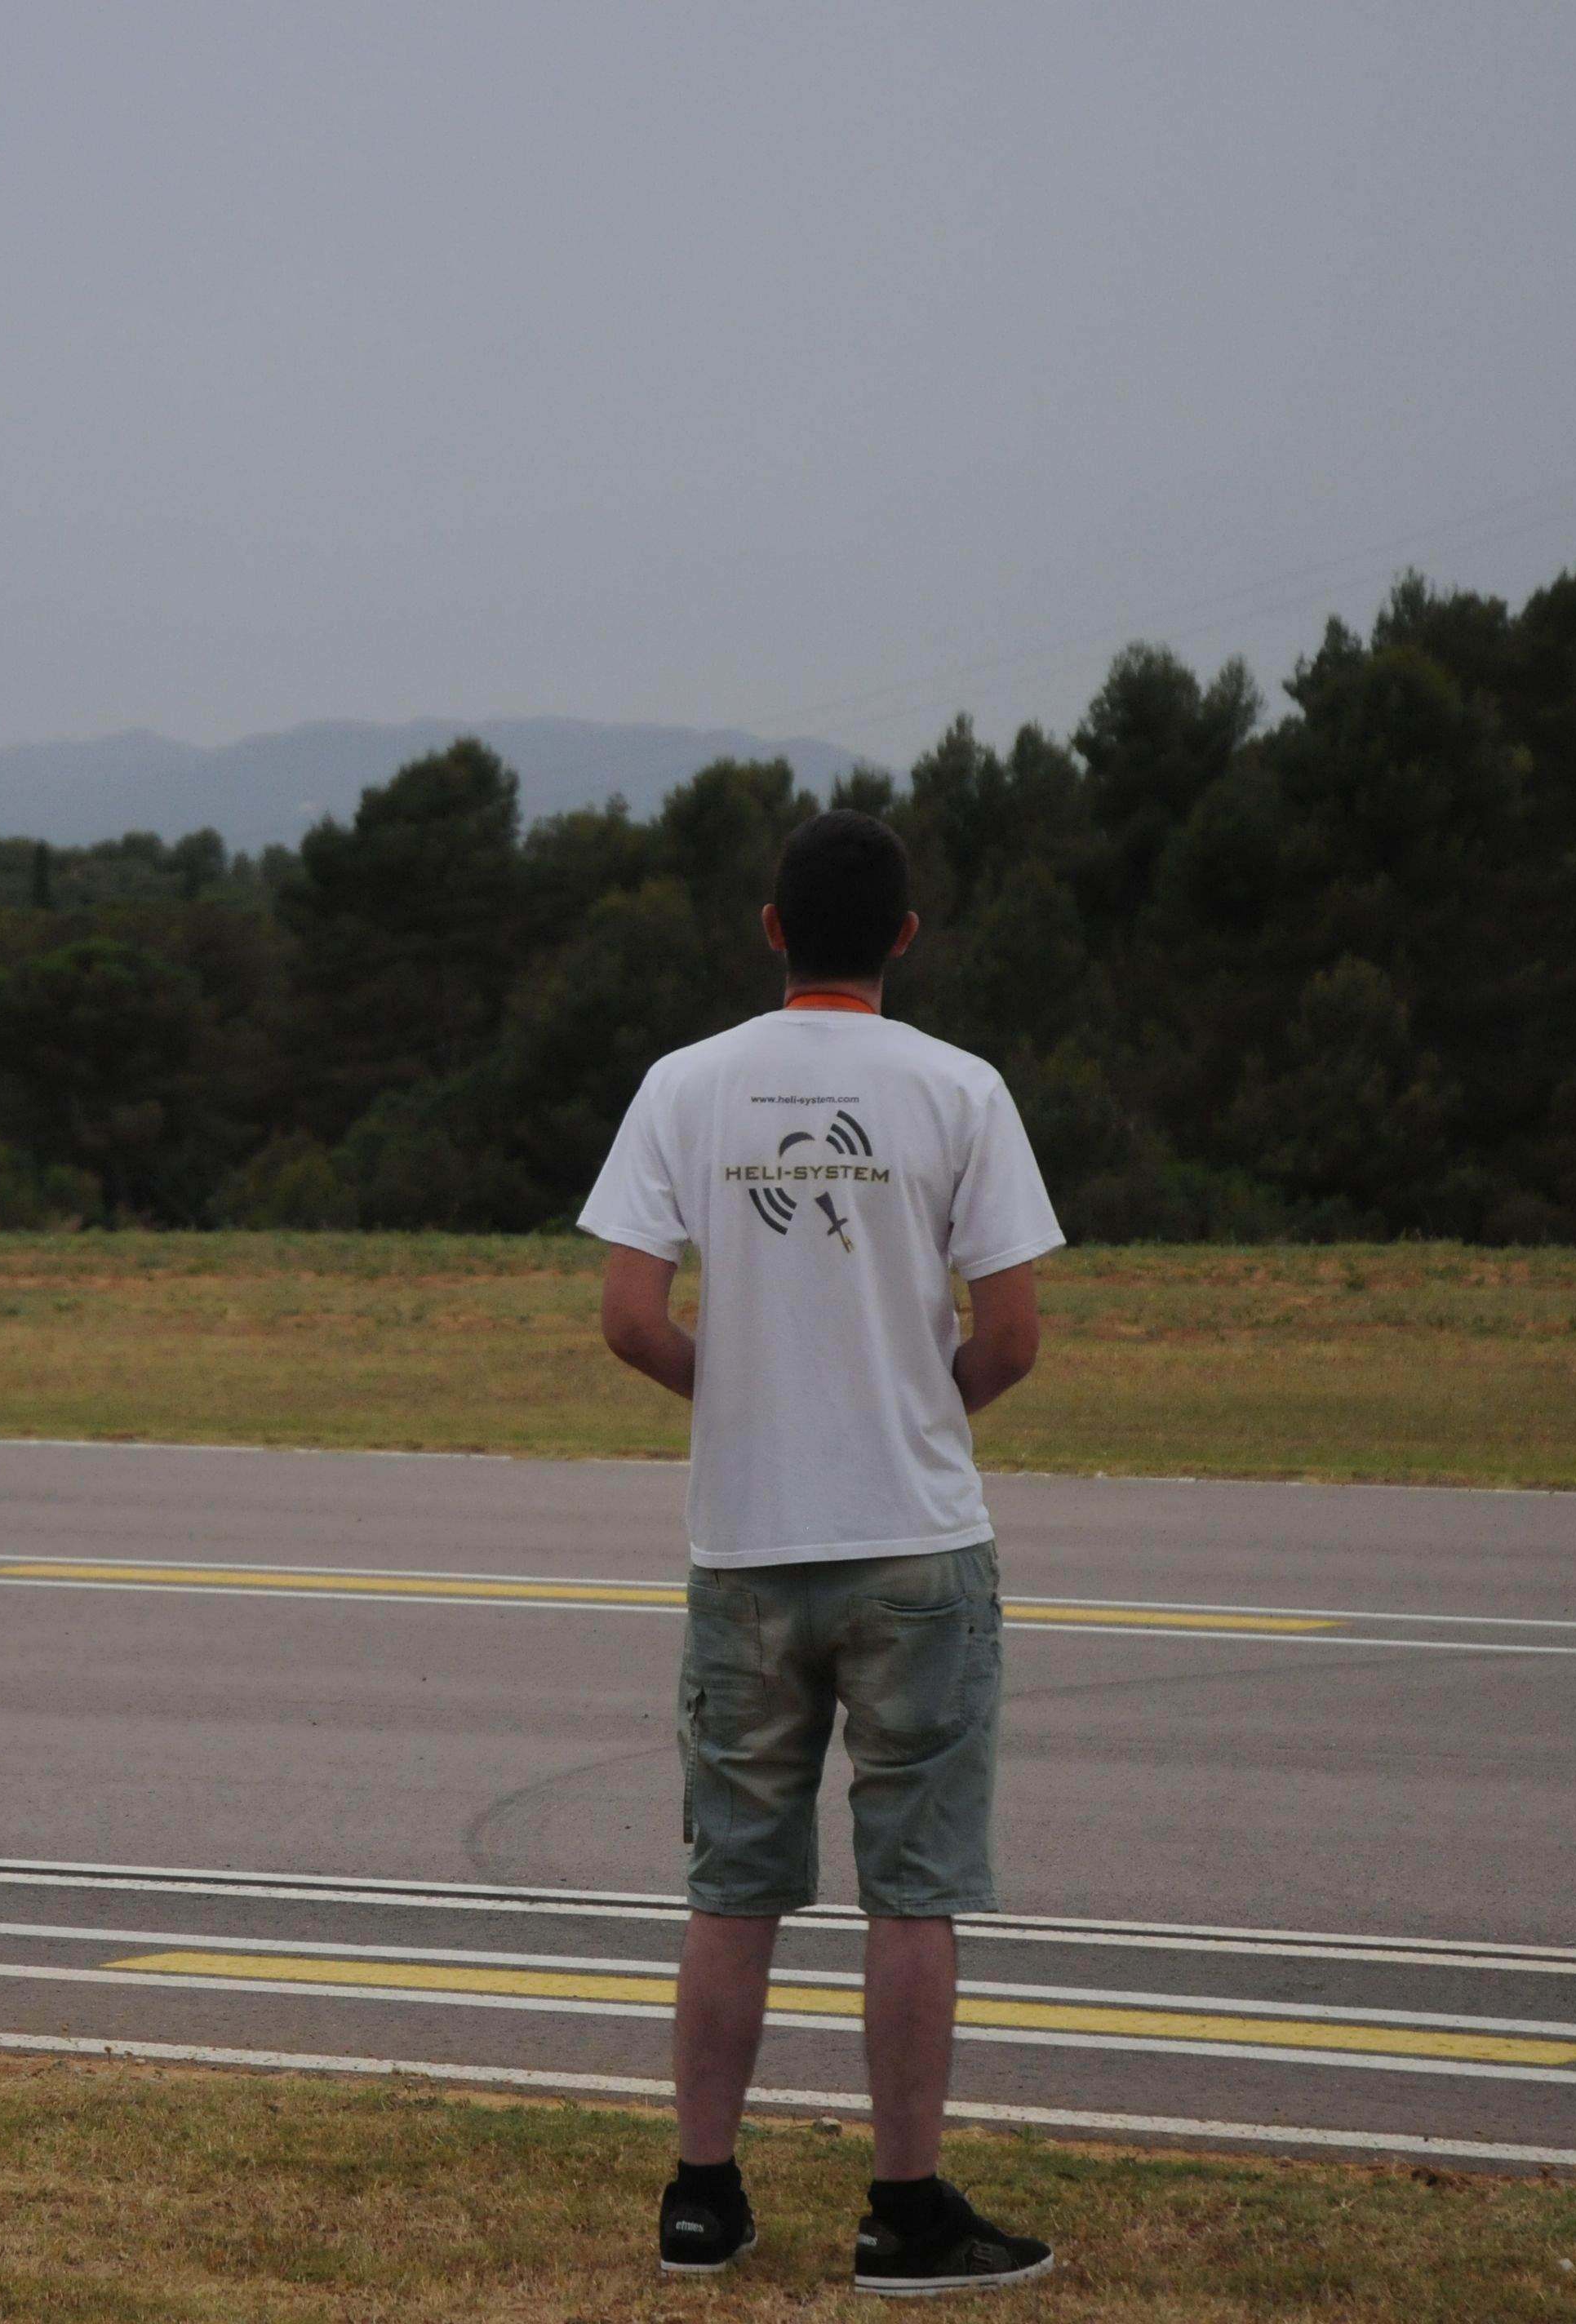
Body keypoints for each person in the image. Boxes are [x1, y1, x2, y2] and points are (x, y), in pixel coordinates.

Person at [579, 806, 1062, 2297]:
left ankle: (702, 2197)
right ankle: (904, 2214)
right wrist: (910, 1408)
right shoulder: (961, 1088)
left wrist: (746, 1398)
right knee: (912, 1888)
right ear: (904, 937)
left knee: (733, 1883)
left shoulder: (686, 1084)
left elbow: (630, 1317)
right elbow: (1013, 1336)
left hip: (746, 1544)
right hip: (916, 1539)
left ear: (773, 929)